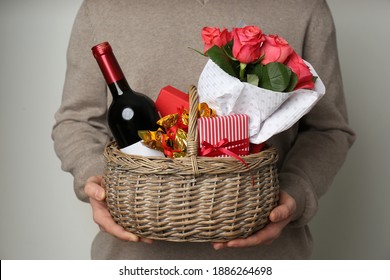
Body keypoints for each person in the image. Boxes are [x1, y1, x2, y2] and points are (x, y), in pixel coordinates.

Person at [52, 0, 355, 259]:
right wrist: (99, 185)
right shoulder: (103, 7)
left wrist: (295, 192)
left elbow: (328, 129)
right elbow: (77, 120)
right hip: (133, 259)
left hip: (266, 259)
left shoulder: (304, 7)